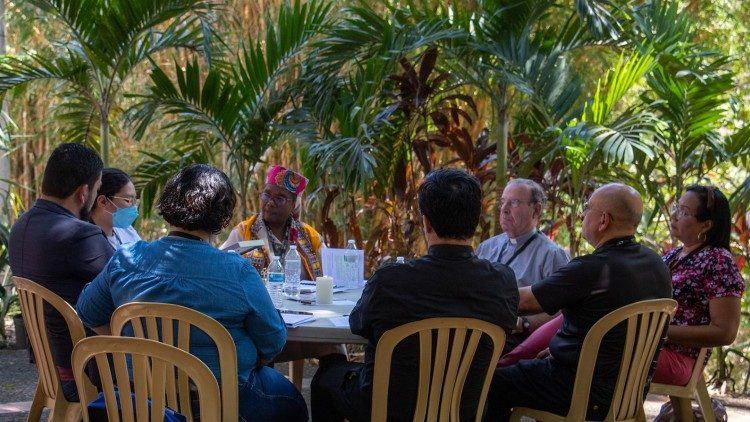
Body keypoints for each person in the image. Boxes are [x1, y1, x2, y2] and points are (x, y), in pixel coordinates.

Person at [76, 164, 307, 421]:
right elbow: (273, 340)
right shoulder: (237, 270)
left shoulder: (126, 259)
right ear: (222, 213)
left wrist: (131, 344)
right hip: (222, 402)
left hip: (145, 400)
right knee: (293, 402)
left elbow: (87, 311)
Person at [311, 168, 519, 422]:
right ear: (476, 221)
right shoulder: (503, 283)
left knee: (328, 376)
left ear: (426, 222)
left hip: (388, 409)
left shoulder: (391, 281)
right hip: (464, 410)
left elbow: (358, 324)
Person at [484, 183, 673, 421]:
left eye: (587, 208)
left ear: (603, 220)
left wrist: (470, 287)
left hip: (581, 391)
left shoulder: (592, 268)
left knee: (491, 383)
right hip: (626, 390)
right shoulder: (656, 264)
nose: (583, 215)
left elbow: (522, 302)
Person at [8, 143, 113, 400]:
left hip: (51, 367)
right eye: (98, 188)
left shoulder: (21, 226)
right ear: (83, 193)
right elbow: (128, 284)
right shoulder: (80, 235)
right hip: (86, 372)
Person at [653, 185, 744, 389]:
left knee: (595, 351)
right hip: (650, 345)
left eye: (684, 212)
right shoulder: (672, 256)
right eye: (677, 208)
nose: (674, 215)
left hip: (679, 358)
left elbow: (725, 332)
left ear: (706, 225)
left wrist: (660, 330)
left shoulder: (719, 261)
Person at [476, 178, 569, 351]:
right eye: (503, 202)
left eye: (515, 203)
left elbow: (562, 314)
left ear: (537, 209)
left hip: (518, 340)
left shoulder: (551, 255)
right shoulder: (486, 247)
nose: (504, 210)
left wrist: (522, 324)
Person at [221, 164, 323, 280]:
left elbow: (329, 274)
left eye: (280, 199)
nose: (270, 203)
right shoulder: (243, 232)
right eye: (266, 195)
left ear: (293, 205)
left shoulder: (309, 236)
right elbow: (221, 267)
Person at [89, 168, 142, 248]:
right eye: (128, 200)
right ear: (102, 201)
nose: (134, 207)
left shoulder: (128, 231)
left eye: (134, 200)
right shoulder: (86, 239)